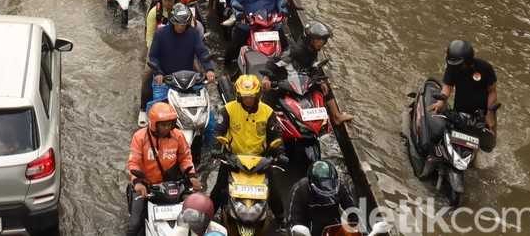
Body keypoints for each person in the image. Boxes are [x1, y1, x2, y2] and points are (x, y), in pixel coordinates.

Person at [210, 74, 287, 227]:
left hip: (260, 160)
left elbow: (276, 135)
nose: (248, 99)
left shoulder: (267, 112)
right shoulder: (229, 109)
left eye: (251, 96)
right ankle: (208, 217)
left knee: (273, 193)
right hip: (233, 158)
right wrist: (216, 149)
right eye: (245, 96)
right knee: (219, 190)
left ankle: (282, 220)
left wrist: (280, 153)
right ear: (238, 95)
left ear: (258, 95)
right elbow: (218, 132)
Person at [126, 102, 201, 236]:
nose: (167, 128)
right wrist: (137, 182)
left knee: (198, 216)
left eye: (169, 124)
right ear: (154, 123)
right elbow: (133, 162)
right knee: (134, 226)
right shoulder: (140, 137)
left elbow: (185, 158)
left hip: (171, 187)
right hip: (147, 188)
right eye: (163, 125)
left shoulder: (177, 135)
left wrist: (192, 176)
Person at [261, 21, 353, 126]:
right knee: (265, 112)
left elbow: (314, 66)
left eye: (323, 39)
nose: (322, 42)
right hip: (283, 80)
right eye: (318, 39)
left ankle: (336, 116)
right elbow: (274, 62)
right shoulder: (296, 51)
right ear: (310, 39)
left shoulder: (313, 50)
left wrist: (321, 81)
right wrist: (266, 78)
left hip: (298, 80)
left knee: (326, 87)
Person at [428, 39, 497, 152]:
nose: (457, 67)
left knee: (487, 147)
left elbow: (492, 91)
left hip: (483, 112)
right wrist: (440, 102)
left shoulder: (485, 68)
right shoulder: (452, 68)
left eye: (460, 64)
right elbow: (448, 86)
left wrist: (490, 114)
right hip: (462, 110)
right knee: (460, 143)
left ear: (468, 59)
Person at [287, 161, 358, 236]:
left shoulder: (340, 186)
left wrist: (362, 231)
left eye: (330, 184)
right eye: (324, 185)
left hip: (333, 231)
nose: (328, 188)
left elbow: (354, 211)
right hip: (309, 233)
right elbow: (292, 223)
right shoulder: (299, 191)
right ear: (312, 184)